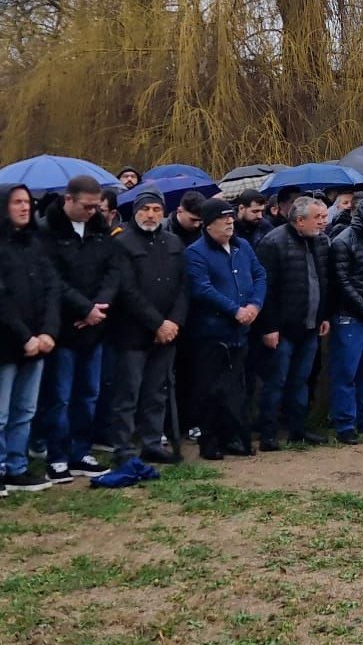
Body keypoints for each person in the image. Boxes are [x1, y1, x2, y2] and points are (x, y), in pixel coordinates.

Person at [0, 185, 59, 497]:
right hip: (4, 344)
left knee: (25, 409)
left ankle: (17, 466)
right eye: (16, 202)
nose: (25, 208)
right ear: (0, 207)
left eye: (27, 202)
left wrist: (49, 331)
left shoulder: (35, 244)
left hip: (39, 342)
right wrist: (25, 337)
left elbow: (52, 288)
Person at [39, 174, 122, 480]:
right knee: (60, 396)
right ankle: (57, 454)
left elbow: (113, 271)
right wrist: (83, 308)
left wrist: (98, 307)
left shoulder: (100, 229)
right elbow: (51, 279)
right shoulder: (47, 232)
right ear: (68, 200)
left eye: (96, 207)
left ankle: (80, 451)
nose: (92, 212)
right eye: (86, 206)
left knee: (89, 394)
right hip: (63, 327)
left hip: (96, 326)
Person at [111, 189, 189, 466]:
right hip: (133, 331)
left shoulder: (173, 242)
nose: (151, 214)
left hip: (167, 333)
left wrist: (173, 322)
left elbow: (183, 287)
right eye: (146, 209)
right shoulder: (122, 242)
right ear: (135, 212)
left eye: (156, 209)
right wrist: (156, 323)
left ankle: (152, 442)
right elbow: (126, 290)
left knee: (157, 392)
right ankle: (121, 447)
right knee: (128, 392)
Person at [185, 199, 267, 456]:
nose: (230, 222)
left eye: (231, 217)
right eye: (224, 218)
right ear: (209, 224)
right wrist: (235, 310)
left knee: (238, 390)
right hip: (212, 332)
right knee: (210, 390)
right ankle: (210, 443)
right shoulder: (196, 252)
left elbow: (260, 275)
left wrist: (255, 304)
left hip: (241, 332)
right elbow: (201, 288)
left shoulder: (243, 247)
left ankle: (235, 438)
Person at [253, 196, 330, 446]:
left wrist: (323, 315)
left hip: (309, 325)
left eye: (324, 217)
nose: (323, 222)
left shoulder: (319, 242)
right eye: (317, 218)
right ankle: (268, 434)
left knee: (301, 380)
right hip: (282, 329)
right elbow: (266, 289)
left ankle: (299, 430)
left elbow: (321, 281)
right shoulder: (273, 243)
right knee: (276, 381)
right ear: (299, 220)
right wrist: (269, 327)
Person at [327, 197, 363, 443]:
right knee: (346, 372)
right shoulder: (342, 243)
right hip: (349, 316)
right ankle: (345, 424)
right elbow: (342, 282)